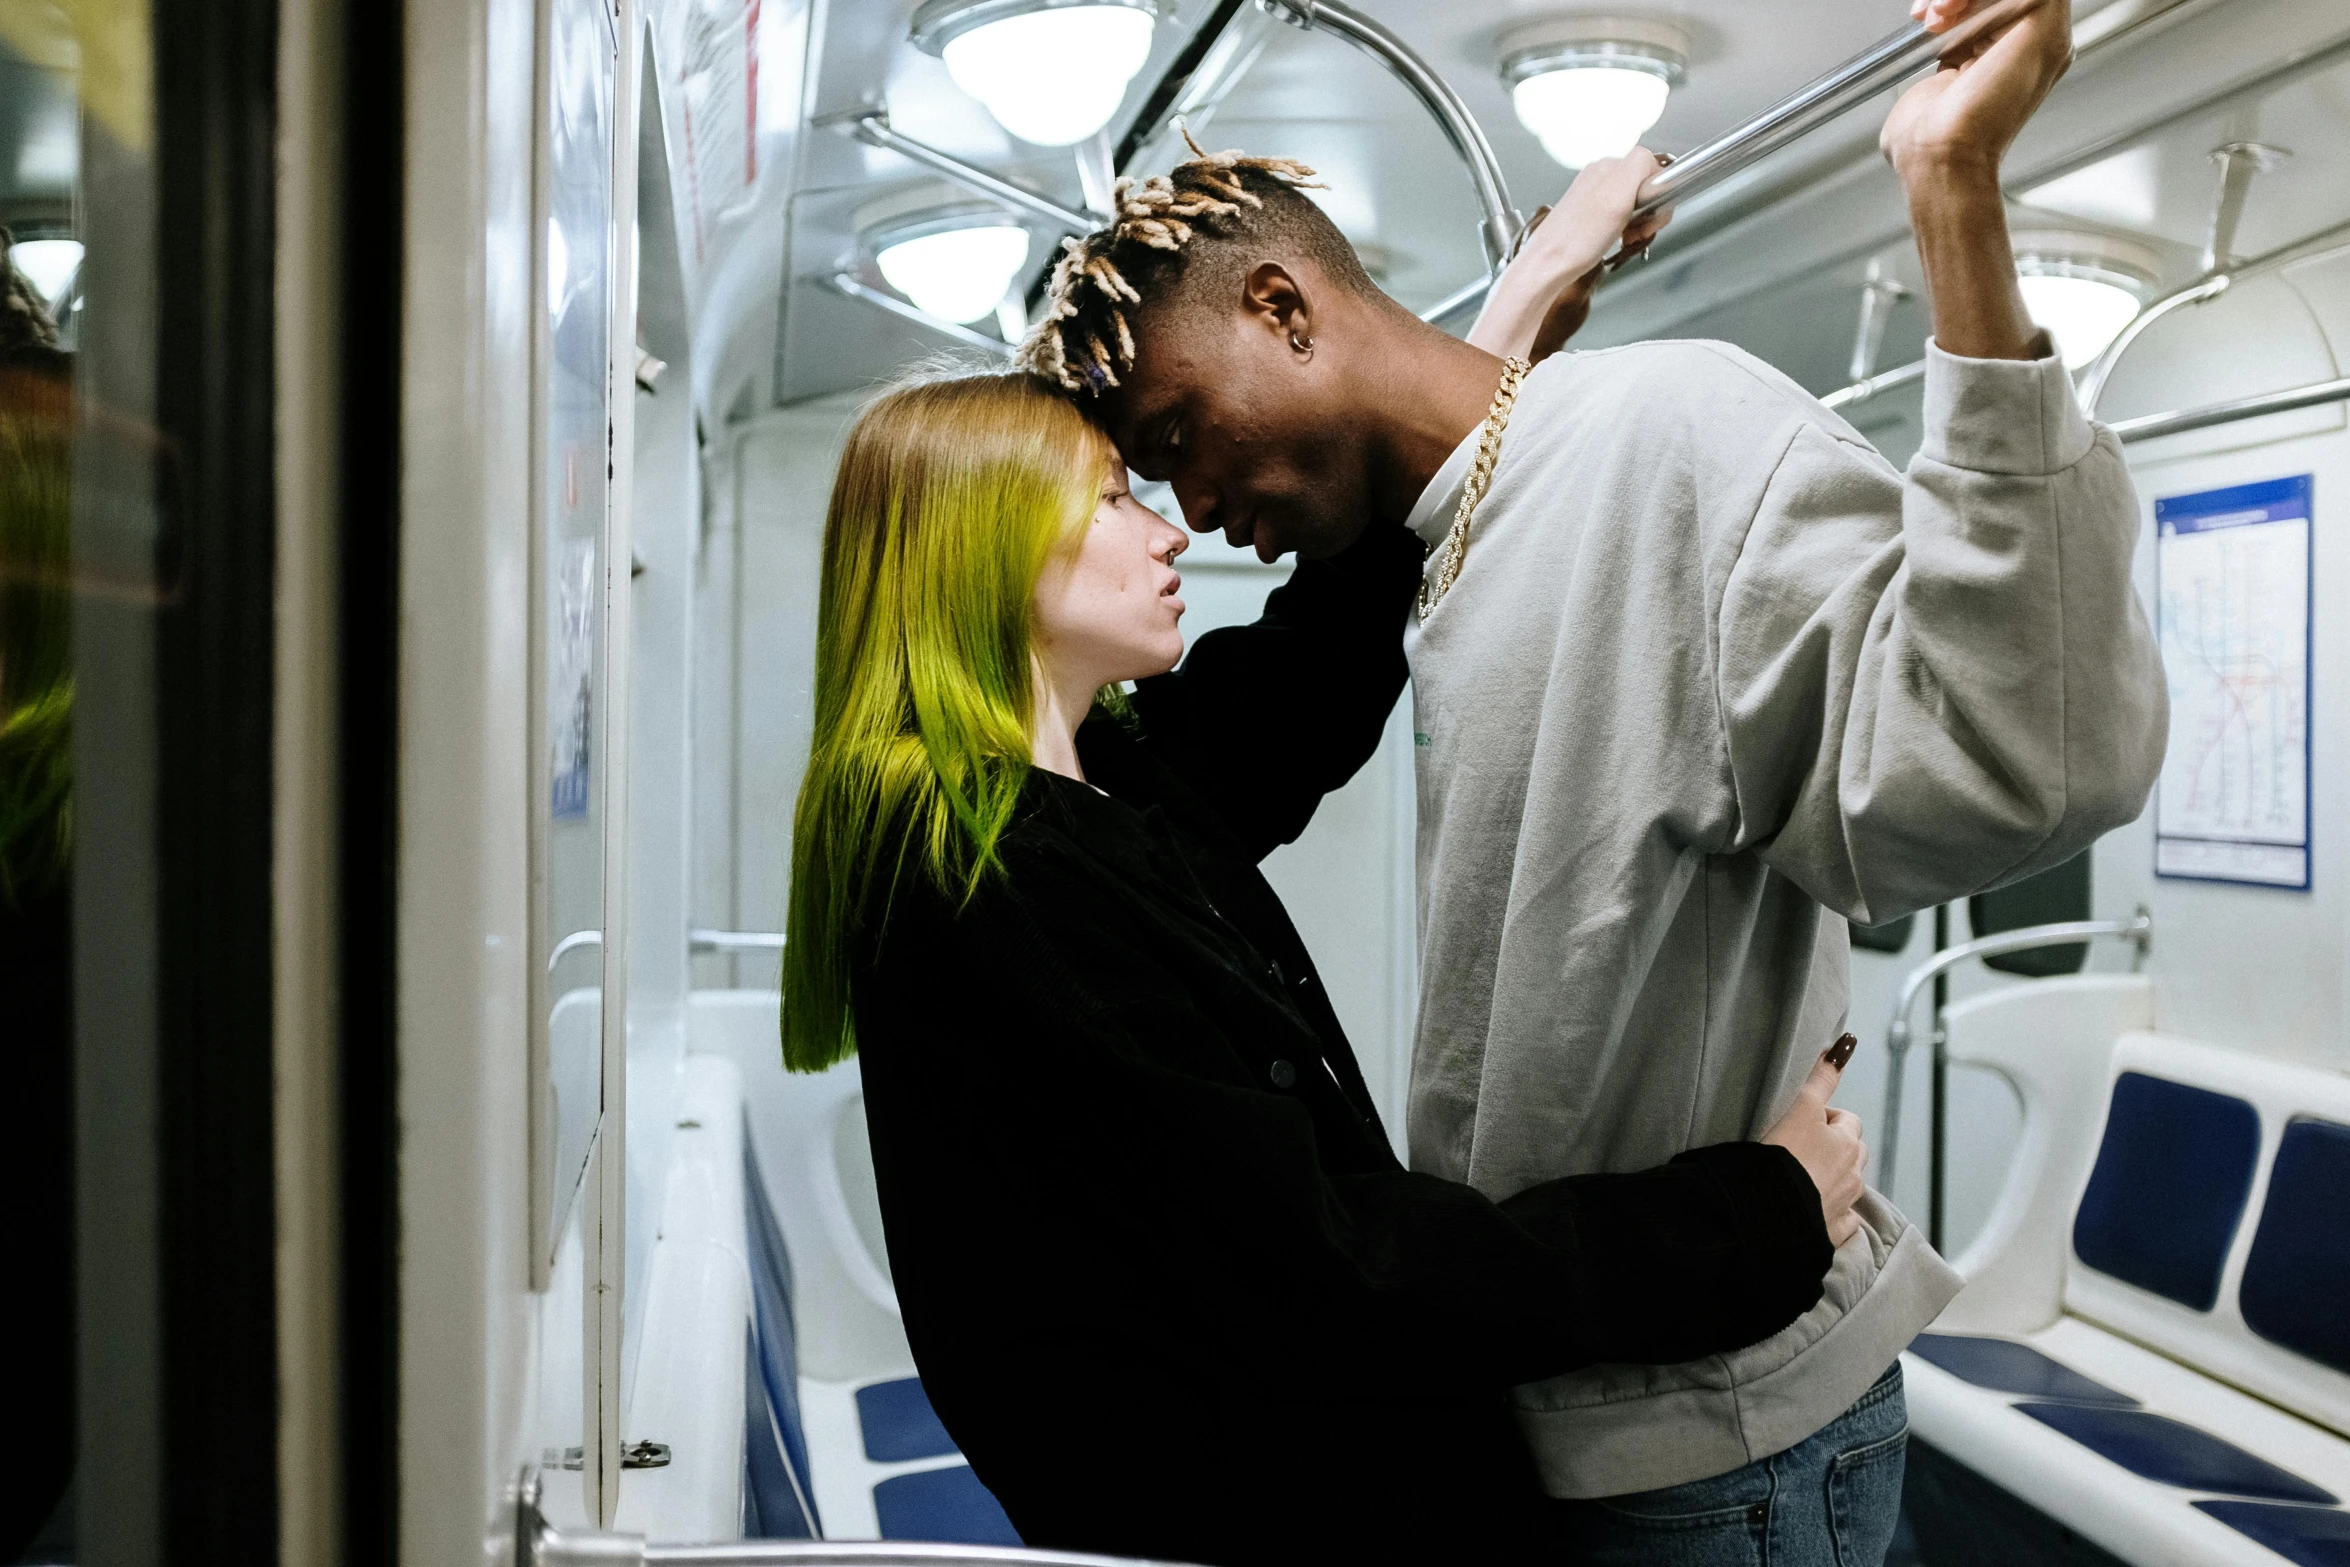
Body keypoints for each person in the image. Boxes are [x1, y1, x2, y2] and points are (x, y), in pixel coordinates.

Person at [1013, 0, 2167, 1559]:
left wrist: (1953, 204)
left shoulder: (1671, 430)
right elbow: (1299, 672)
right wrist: (1520, 300)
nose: (1200, 509)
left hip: (1720, 1438)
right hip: (1547, 1406)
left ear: (1283, 306)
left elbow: (2011, 759)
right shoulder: (1428, 553)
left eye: (1183, 436)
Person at [779, 368, 1875, 1565]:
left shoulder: (1088, 795)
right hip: (1272, 1510)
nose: (1166, 533)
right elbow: (1342, 1272)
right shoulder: (1001, 890)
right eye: (1110, 499)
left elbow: (1297, 681)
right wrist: (1754, 1215)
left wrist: (1487, 352)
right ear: (983, 551)